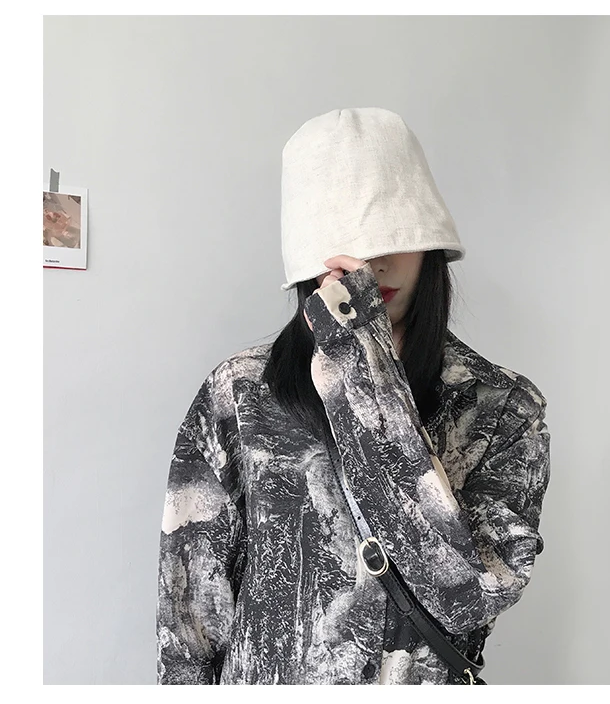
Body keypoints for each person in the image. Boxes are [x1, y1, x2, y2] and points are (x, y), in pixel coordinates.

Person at [156, 108, 551, 685]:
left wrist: (362, 369)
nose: (372, 263)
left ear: (430, 246)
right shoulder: (240, 393)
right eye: (342, 242)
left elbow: (467, 596)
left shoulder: (503, 409)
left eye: (395, 236)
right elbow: (190, 616)